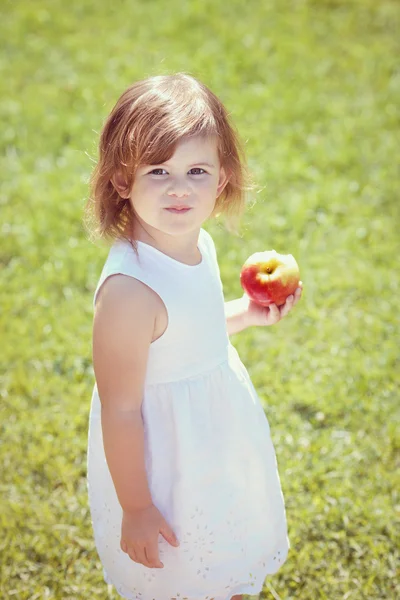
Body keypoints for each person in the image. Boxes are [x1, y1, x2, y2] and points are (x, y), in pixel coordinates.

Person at [83, 72, 303, 600]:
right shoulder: (129, 294)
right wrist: (137, 507)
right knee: (181, 570)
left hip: (213, 436)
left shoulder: (195, 240)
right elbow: (120, 410)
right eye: (158, 171)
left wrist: (245, 316)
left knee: (221, 557)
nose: (180, 187)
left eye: (197, 170)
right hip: (165, 456)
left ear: (222, 177)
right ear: (121, 180)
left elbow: (186, 335)